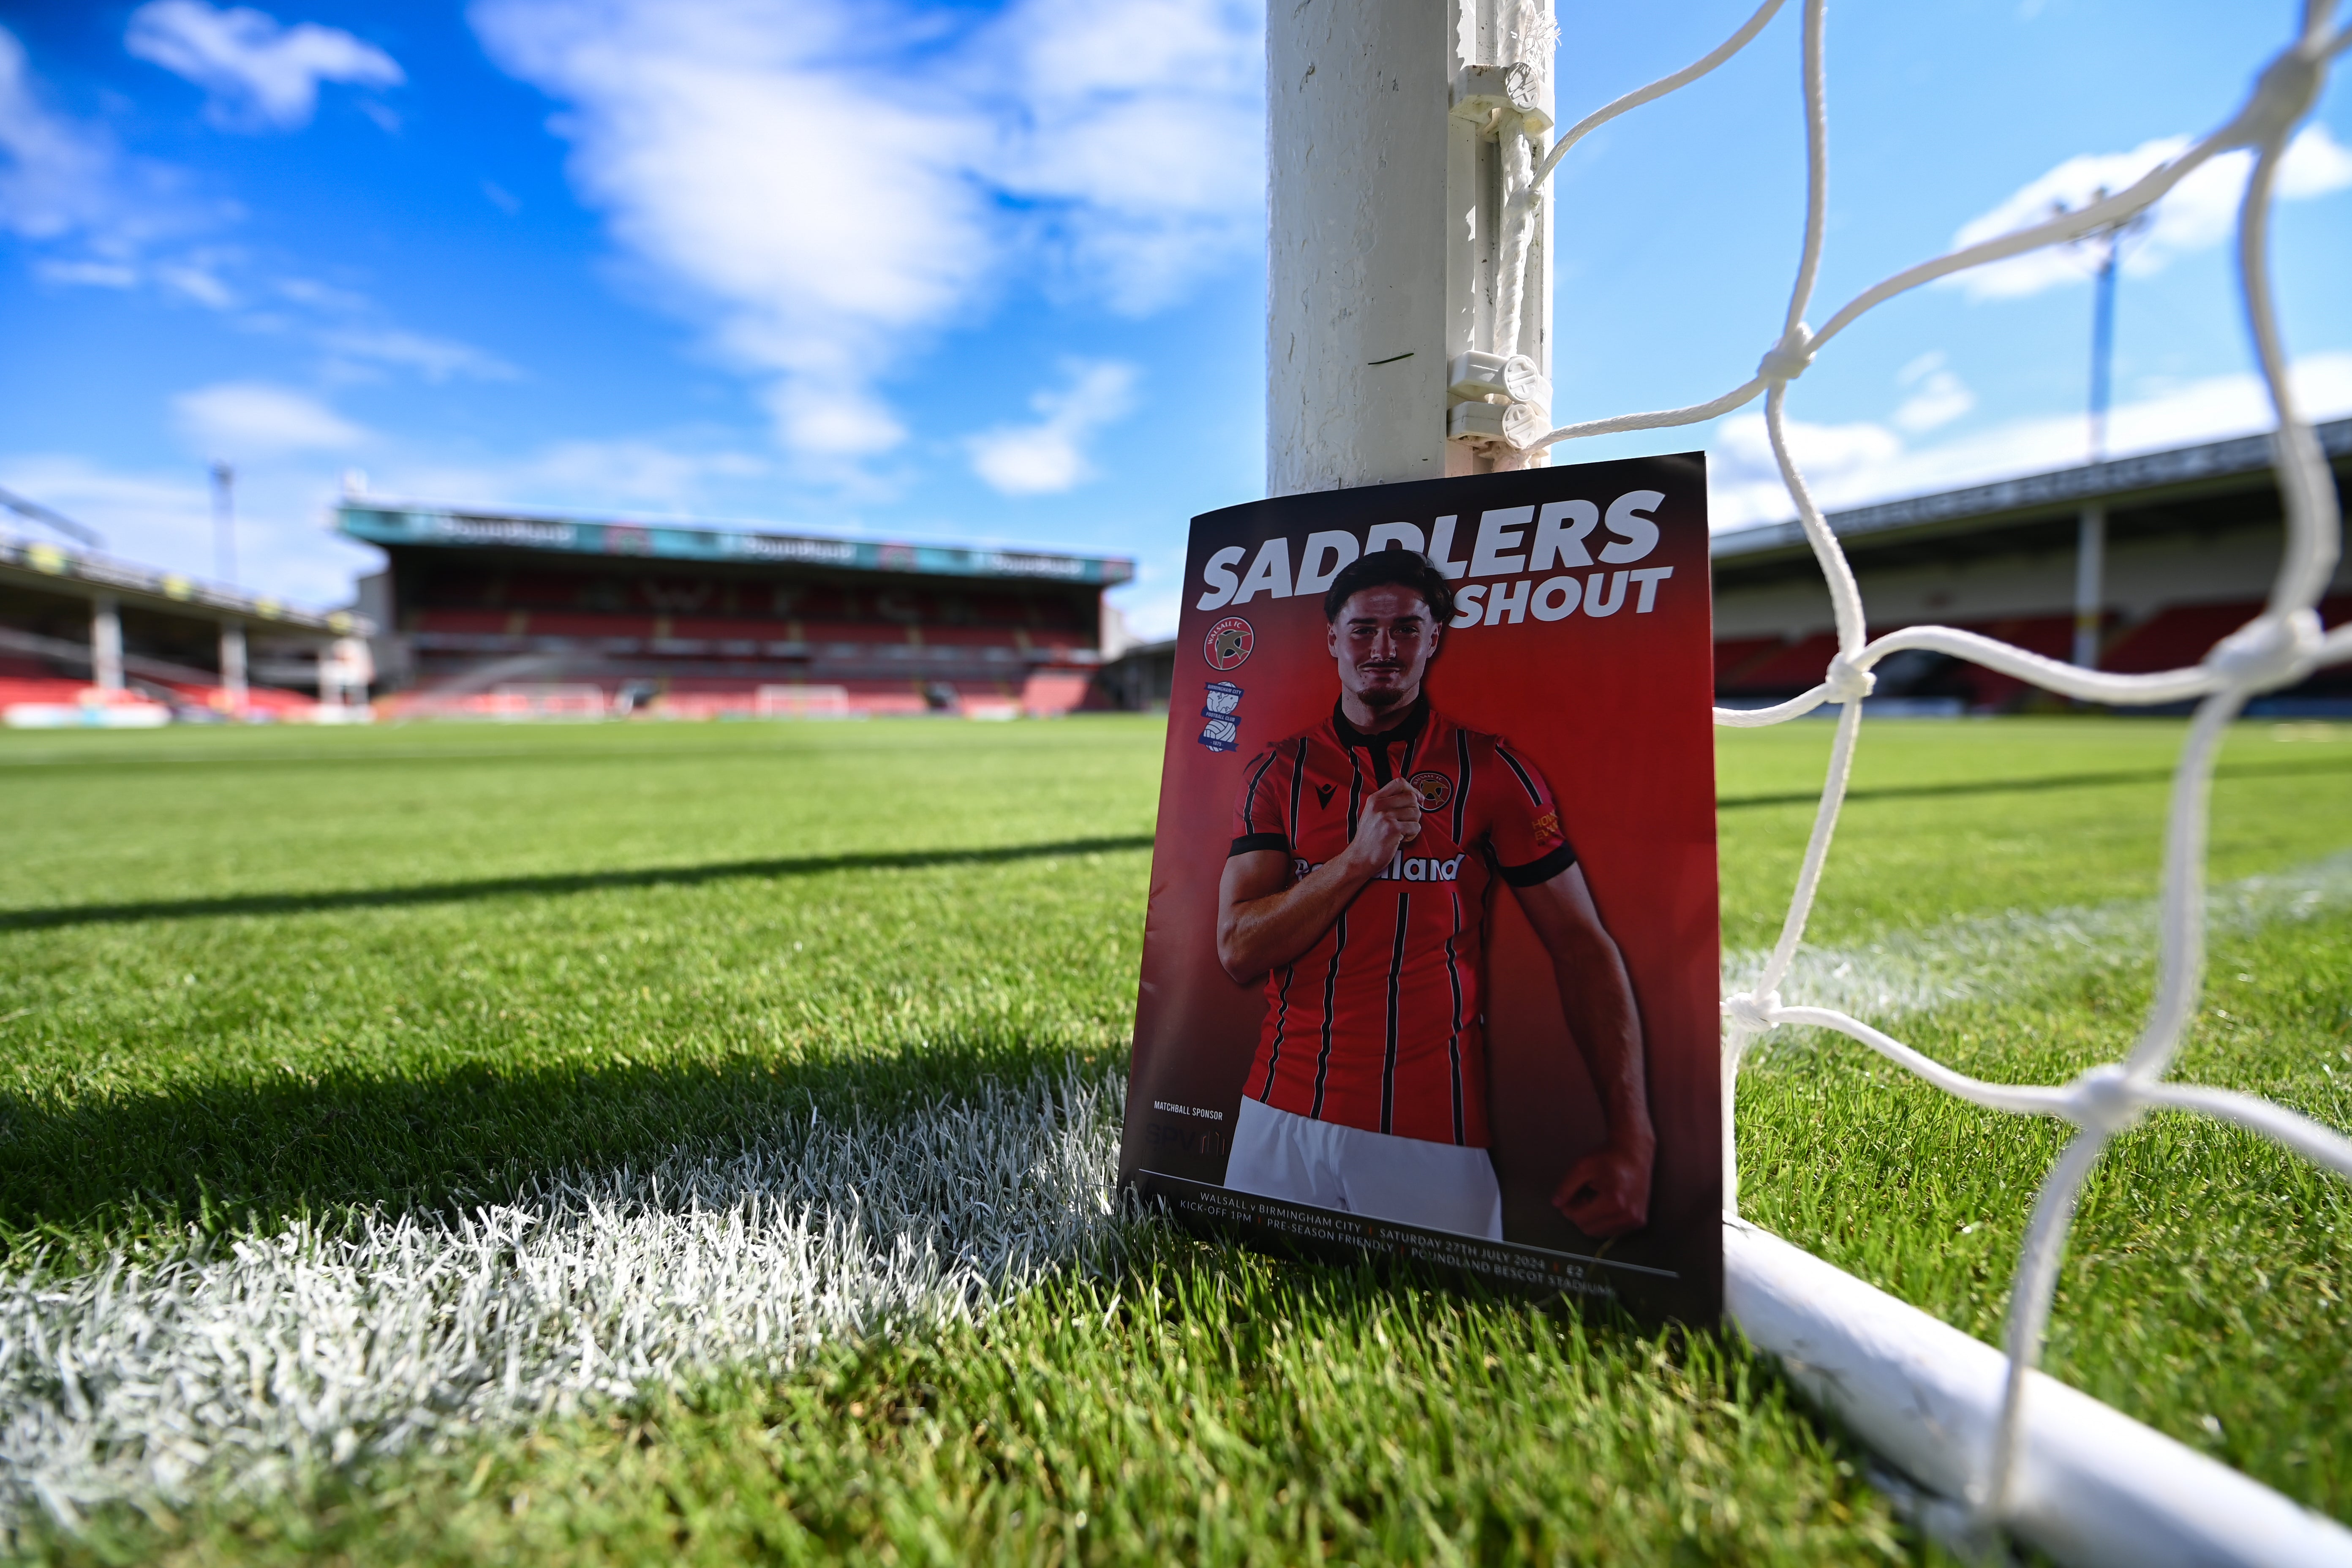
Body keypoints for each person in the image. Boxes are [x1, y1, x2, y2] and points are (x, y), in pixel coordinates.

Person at [1214, 547, 1653, 1241]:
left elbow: (1581, 946)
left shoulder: (1494, 770)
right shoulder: (1278, 772)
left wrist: (1635, 1138)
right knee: (1246, 1323)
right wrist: (1359, 860)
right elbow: (1238, 950)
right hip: (1274, 1120)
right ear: (1332, 638)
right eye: (1362, 629)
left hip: (1430, 1132)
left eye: (1406, 629)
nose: (1383, 648)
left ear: (1434, 639)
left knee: (1438, 1341)